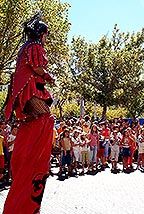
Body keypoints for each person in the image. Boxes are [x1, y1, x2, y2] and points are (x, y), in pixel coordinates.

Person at [3, 13, 55, 213]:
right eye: (45, 34)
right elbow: (37, 67)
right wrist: (48, 76)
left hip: (22, 94)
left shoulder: (23, 48)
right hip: (30, 90)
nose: (46, 38)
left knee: (41, 116)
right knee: (45, 115)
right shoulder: (36, 47)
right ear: (41, 34)